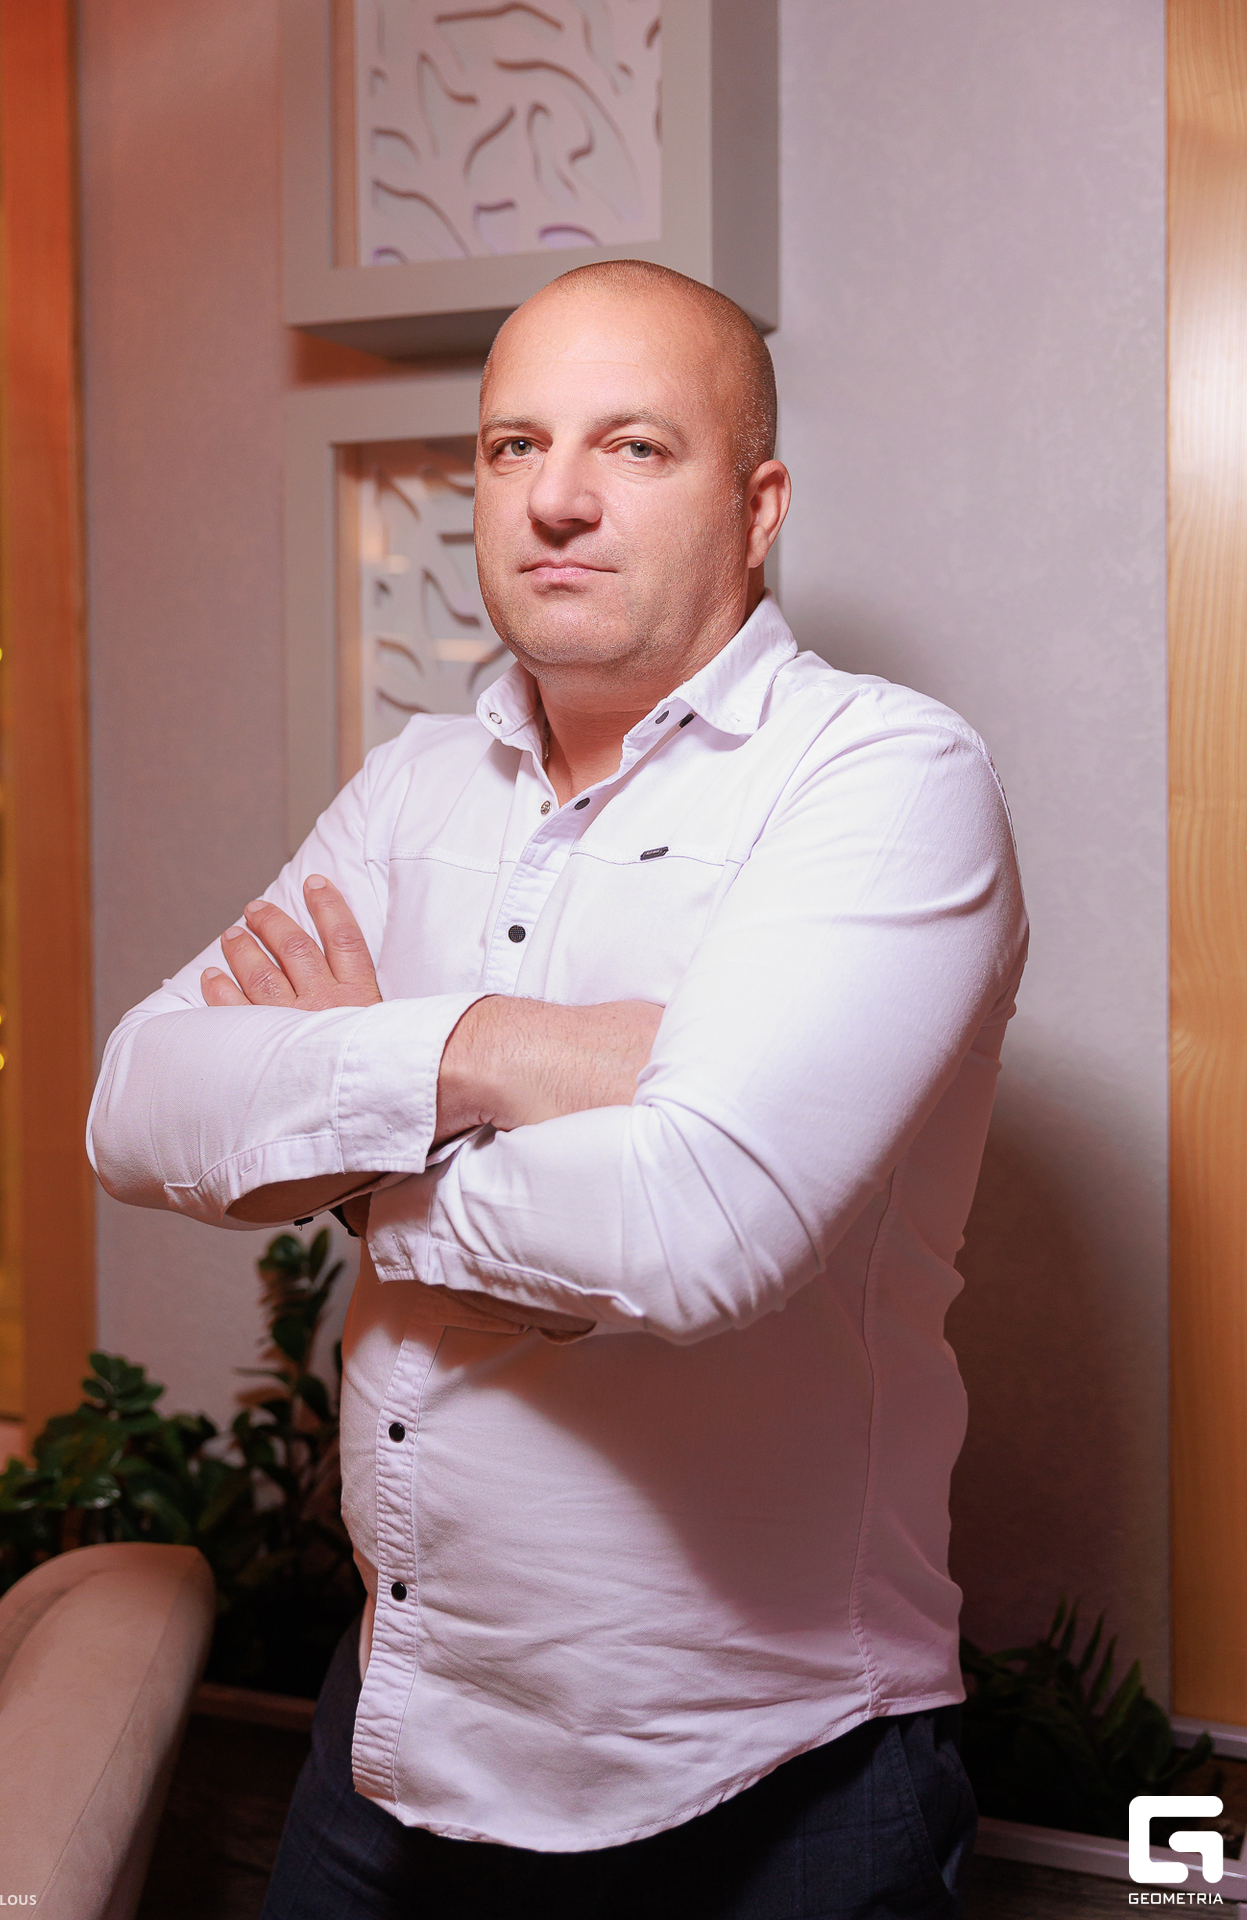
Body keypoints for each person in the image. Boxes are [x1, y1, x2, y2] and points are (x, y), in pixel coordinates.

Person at [89, 259, 1027, 1919]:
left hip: (759, 1784)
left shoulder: (885, 779)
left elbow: (697, 1229)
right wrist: (498, 1050)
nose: (558, 498)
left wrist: (349, 1147)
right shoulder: (413, 785)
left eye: (634, 446)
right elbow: (139, 1101)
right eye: (514, 444)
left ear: (759, 508)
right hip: (393, 1743)